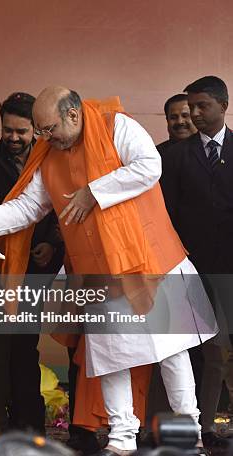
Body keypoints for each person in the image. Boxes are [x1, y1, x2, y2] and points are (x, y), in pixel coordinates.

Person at [0, 86, 214, 455]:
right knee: (112, 354)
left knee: (171, 350)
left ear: (74, 115)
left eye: (49, 130)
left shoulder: (118, 127)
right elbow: (28, 207)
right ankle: (121, 437)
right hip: (98, 269)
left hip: (150, 258)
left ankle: (187, 435)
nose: (45, 139)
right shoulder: (48, 155)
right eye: (40, 131)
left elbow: (148, 165)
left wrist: (92, 192)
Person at [0, 92, 63, 436]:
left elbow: (57, 212)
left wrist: (49, 243)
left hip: (35, 271)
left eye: (21, 132)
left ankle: (29, 426)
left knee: (25, 348)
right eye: (7, 130)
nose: (13, 137)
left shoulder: (50, 161)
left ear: (36, 131)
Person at [161, 75, 233, 449]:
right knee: (205, 350)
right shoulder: (174, 156)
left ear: (224, 105)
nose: (195, 114)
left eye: (203, 106)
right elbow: (166, 215)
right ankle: (202, 426)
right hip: (189, 269)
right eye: (192, 107)